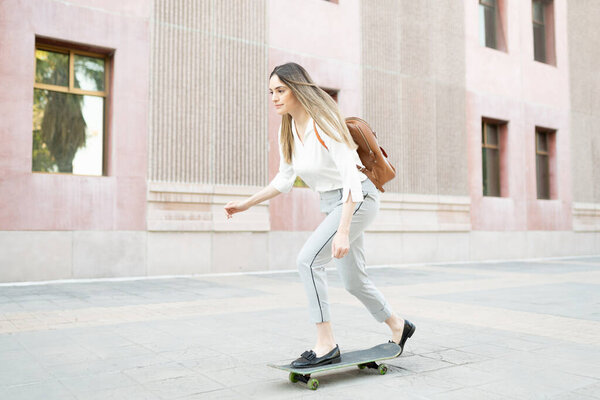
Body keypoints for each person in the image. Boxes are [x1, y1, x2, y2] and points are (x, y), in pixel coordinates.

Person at [224, 62, 415, 368]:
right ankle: (397, 325)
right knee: (353, 281)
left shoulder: (324, 122)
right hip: (332, 203)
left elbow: (351, 179)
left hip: (358, 198)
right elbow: (284, 179)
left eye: (281, 90)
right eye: (271, 91)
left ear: (298, 90)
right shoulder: (287, 129)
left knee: (309, 261)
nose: (274, 97)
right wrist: (247, 203)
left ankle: (326, 344)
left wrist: (342, 230)